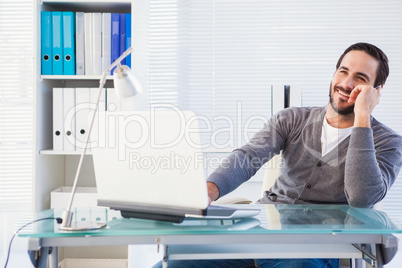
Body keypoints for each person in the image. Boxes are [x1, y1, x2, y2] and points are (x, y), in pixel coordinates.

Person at [153, 43, 402, 268]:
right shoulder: (292, 118)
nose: (347, 84)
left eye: (360, 78)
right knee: (178, 260)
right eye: (343, 72)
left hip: (315, 247)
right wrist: (208, 190)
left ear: (376, 90)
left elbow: (361, 197)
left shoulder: (388, 142)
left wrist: (362, 117)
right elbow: (248, 157)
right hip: (259, 233)